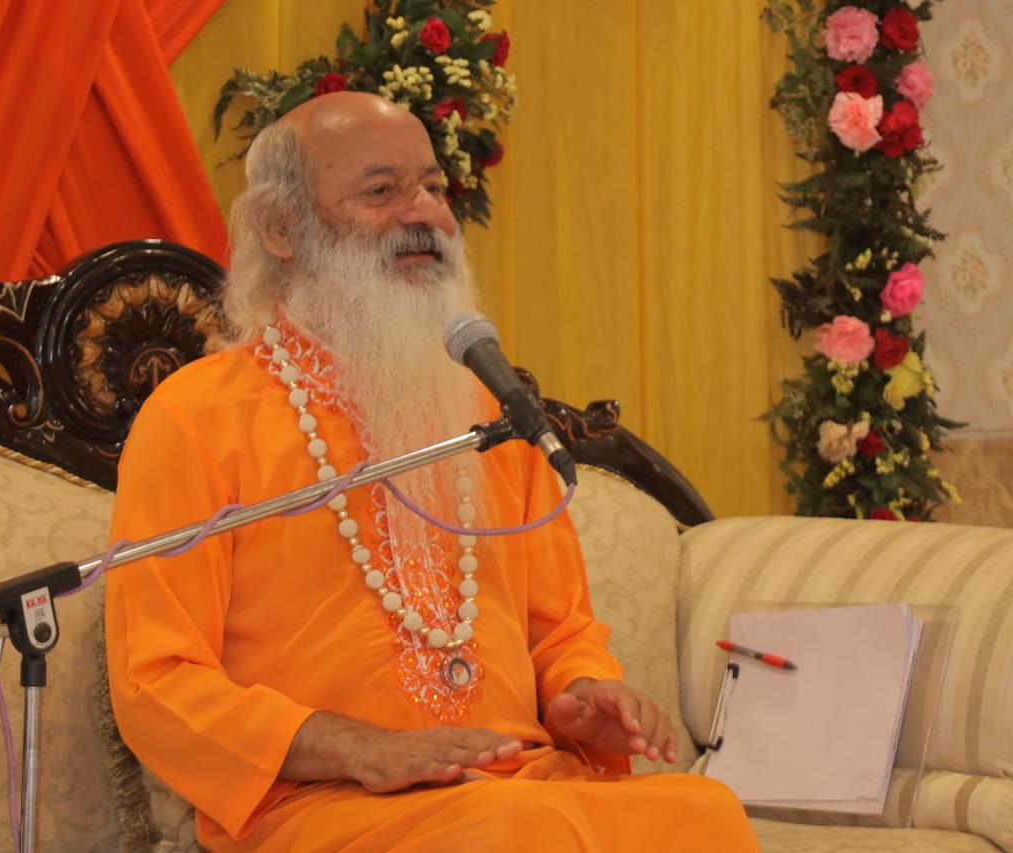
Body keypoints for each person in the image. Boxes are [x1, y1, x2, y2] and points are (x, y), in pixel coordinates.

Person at [106, 91, 757, 851]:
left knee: (703, 813)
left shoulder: (487, 413)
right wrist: (356, 747)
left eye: (434, 187)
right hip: (323, 803)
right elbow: (157, 677)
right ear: (282, 228)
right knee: (516, 831)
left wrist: (582, 694)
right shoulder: (197, 416)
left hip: (517, 780)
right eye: (382, 190)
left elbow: (560, 630)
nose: (425, 214)